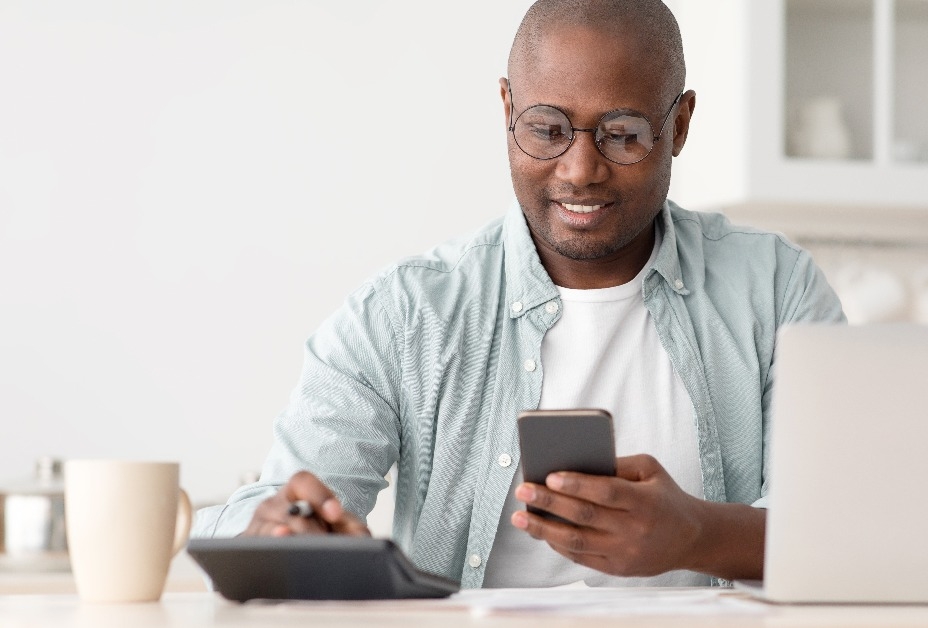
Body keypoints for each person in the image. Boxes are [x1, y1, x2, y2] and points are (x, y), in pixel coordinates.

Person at [192, 0, 844, 589]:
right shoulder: (405, 315)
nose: (581, 169)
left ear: (679, 126)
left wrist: (696, 534)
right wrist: (279, 529)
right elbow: (272, 505)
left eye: (622, 134)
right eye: (547, 128)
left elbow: (851, 536)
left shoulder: (777, 290)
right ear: (507, 110)